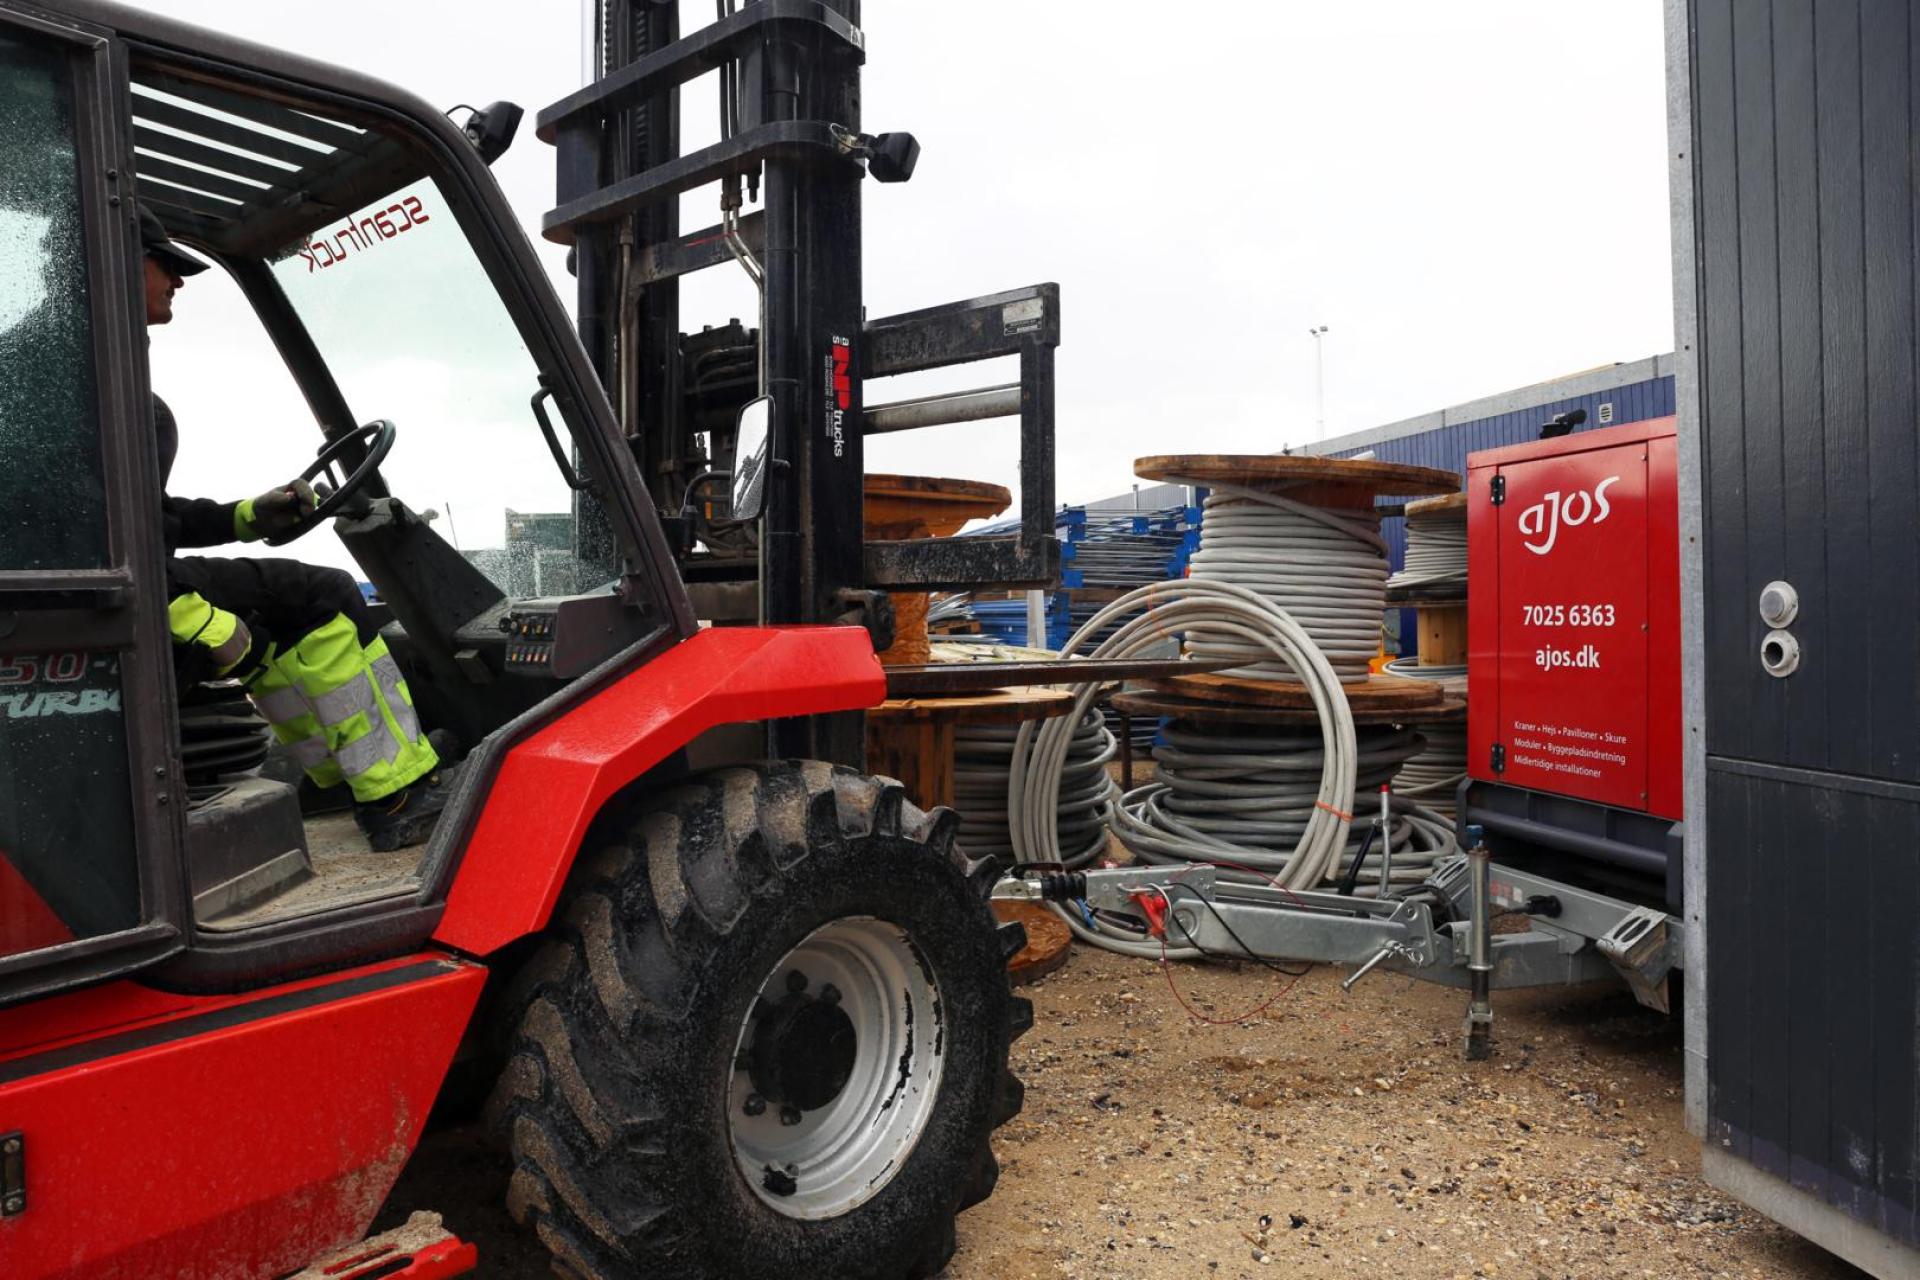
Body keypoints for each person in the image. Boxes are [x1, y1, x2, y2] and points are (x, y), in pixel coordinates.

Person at [143, 206, 453, 851]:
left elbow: (142, 520)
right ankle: (395, 792)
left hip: (136, 581)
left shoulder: (85, 370)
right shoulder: (89, 388)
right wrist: (204, 623)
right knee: (327, 599)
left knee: (293, 598)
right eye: (168, 266)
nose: (180, 281)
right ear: (120, 265)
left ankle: (337, 778)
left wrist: (248, 515)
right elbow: (80, 541)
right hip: (127, 596)